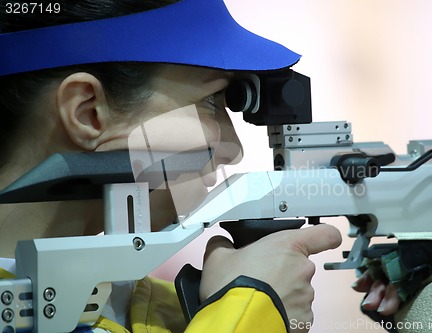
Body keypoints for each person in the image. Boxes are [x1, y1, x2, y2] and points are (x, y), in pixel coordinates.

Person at [0, 0, 401, 332]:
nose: (233, 150)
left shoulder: (160, 313)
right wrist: (250, 312)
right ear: (88, 112)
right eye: (212, 101)